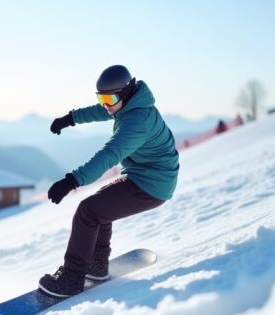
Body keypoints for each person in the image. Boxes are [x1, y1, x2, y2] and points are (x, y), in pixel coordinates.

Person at [39, 64, 179, 297]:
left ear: (124, 93)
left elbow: (109, 155)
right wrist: (71, 118)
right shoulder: (130, 103)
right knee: (99, 206)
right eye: (101, 97)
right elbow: (102, 111)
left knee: (88, 211)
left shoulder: (136, 122)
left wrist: (72, 180)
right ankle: (96, 265)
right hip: (146, 176)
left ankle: (72, 278)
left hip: (152, 185)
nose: (106, 104)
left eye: (109, 98)